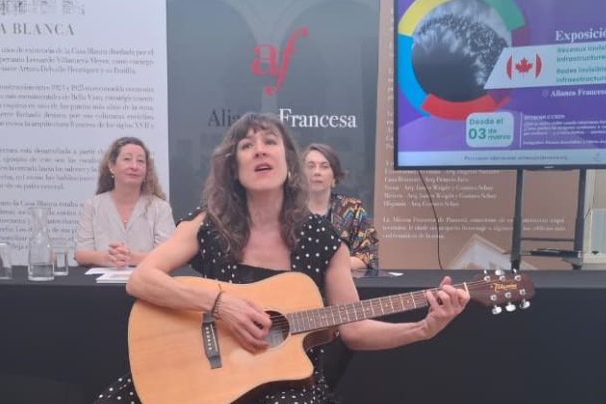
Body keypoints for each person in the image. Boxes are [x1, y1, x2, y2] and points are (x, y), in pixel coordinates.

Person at [94, 113, 467, 403]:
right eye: (246, 146)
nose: (259, 150)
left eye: (270, 142)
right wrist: (222, 304)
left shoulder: (324, 240)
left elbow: (354, 330)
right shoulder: (208, 223)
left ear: (288, 162)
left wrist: (422, 329)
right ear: (234, 168)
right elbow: (142, 279)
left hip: (288, 386)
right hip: (201, 374)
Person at [75, 137, 174, 268]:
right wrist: (107, 258)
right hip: (100, 285)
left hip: (146, 283)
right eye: (127, 159)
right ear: (111, 166)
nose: (134, 166)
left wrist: (130, 258)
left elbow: (168, 255)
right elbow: (81, 254)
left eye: (140, 161)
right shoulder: (93, 205)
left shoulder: (160, 208)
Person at [303, 143, 379, 271]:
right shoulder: (288, 209)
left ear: (334, 177)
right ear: (300, 175)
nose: (316, 172)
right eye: (310, 166)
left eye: (324, 166)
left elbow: (369, 255)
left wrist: (329, 265)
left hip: (342, 284)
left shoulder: (352, 209)